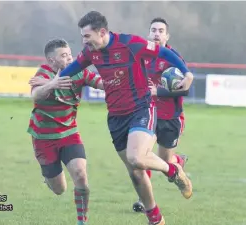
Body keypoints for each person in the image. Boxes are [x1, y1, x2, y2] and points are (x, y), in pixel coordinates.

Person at [58, 11, 194, 225]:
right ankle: (155, 219)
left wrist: (187, 73)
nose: (84, 41)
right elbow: (72, 69)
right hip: (115, 116)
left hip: (141, 108)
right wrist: (52, 82)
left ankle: (173, 170)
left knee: (136, 157)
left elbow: (164, 53)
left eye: (87, 36)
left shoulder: (131, 43)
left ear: (102, 32)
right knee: (136, 173)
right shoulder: (89, 53)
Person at [27, 39, 103, 225]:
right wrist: (52, 84)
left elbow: (101, 83)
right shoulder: (44, 73)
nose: (69, 58)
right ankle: (48, 176)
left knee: (80, 175)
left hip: (69, 133)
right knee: (59, 189)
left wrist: (119, 81)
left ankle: (81, 221)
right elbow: (35, 94)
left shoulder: (79, 71)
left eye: (70, 54)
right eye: (64, 56)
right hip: (43, 139)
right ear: (51, 61)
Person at [132, 17, 189, 213]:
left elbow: (185, 90)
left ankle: (177, 162)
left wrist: (159, 91)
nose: (156, 34)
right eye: (153, 30)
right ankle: (143, 200)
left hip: (170, 117)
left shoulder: (174, 58)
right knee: (142, 155)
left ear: (167, 35)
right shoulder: (142, 55)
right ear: (149, 33)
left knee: (164, 163)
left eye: (161, 31)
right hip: (148, 113)